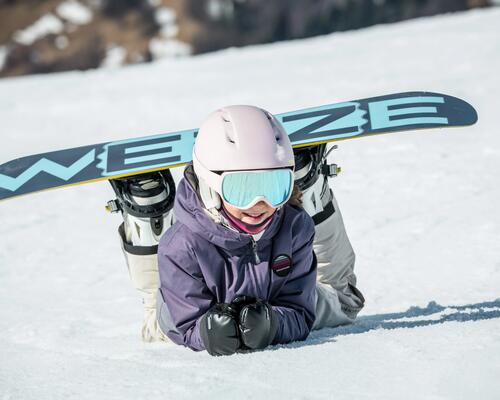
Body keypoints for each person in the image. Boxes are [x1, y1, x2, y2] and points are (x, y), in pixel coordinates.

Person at [108, 105, 365, 355]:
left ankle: (307, 187)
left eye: (276, 186)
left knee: (343, 299)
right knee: (157, 321)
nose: (259, 205)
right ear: (211, 184)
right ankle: (147, 213)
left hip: (274, 303)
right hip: (194, 309)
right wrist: (206, 333)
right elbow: (186, 324)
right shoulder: (181, 246)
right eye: (242, 189)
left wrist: (273, 323)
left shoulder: (294, 227)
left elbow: (299, 311)